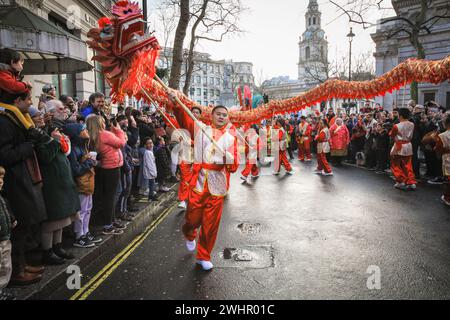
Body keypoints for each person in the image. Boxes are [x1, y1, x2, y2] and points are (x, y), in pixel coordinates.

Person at [172, 102, 239, 271]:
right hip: (200, 182)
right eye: (218, 114)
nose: (221, 117)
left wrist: (229, 159)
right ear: (212, 115)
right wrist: (177, 106)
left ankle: (203, 255)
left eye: (225, 114)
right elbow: (184, 120)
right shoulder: (201, 129)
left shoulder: (231, 138)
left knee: (211, 224)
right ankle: (189, 233)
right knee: (192, 219)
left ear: (227, 118)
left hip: (218, 185)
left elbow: (234, 167)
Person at [0, 90, 47, 285]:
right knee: (20, 226)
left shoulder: (18, 119)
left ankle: (23, 263)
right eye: (27, 99)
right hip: (16, 181)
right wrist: (30, 143)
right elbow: (6, 155)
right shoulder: (5, 122)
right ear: (17, 101)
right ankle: (17, 271)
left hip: (25, 177)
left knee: (27, 224)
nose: (30, 102)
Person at [87, 115, 126, 236]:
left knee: (108, 196)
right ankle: (108, 225)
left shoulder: (94, 136)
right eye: (103, 122)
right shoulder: (104, 134)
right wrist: (119, 130)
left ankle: (110, 221)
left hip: (104, 167)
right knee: (110, 197)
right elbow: (121, 143)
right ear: (99, 124)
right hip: (112, 167)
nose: (105, 124)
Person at [64, 123, 102, 248]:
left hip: (87, 182)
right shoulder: (74, 149)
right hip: (80, 183)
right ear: (77, 133)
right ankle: (79, 236)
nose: (86, 131)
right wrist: (89, 163)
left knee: (88, 209)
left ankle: (85, 232)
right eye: (83, 129)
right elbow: (76, 170)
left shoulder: (82, 145)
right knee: (81, 211)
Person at [0, 166, 17, 300]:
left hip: (5, 237)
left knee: (5, 265)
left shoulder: (1, 196)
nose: (1, 181)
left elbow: (5, 210)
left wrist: (11, 219)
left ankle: (2, 289)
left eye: (1, 178)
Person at [390, 108, 417, 191]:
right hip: (408, 145)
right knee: (408, 165)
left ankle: (401, 181)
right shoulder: (412, 124)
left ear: (400, 115)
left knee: (395, 164)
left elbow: (392, 135)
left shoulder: (396, 126)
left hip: (399, 145)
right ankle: (411, 182)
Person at [434, 114, 450, 206]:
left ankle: (447, 198)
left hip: (447, 157)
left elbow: (438, 148)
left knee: (447, 178)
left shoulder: (442, 135)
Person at [142, 138, 158, 202]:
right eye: (148, 143)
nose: (151, 145)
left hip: (151, 171)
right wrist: (154, 173)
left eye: (151, 143)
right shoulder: (148, 153)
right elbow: (150, 164)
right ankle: (150, 197)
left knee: (152, 184)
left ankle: (151, 195)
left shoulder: (150, 151)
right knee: (151, 184)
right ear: (145, 145)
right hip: (150, 172)